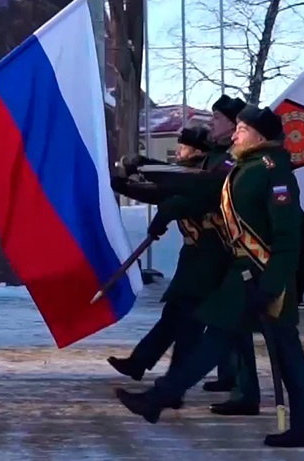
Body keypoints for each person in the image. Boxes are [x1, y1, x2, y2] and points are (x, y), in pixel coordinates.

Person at [115, 105, 304, 448]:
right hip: (245, 273)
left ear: (260, 136)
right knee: (262, 345)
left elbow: (288, 238)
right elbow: (198, 191)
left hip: (263, 275)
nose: (235, 133)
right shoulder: (246, 168)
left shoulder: (274, 172)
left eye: (242, 128)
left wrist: (272, 285)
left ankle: (158, 399)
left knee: (244, 341)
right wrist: (140, 177)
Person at [106, 125, 256, 415]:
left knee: (203, 327)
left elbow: (197, 193)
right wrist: (126, 184)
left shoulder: (221, 165)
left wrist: (169, 203)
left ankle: (177, 388)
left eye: (184, 147)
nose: (179, 152)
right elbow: (168, 186)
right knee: (187, 321)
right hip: (197, 260)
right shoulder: (198, 166)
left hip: (215, 259)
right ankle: (165, 384)